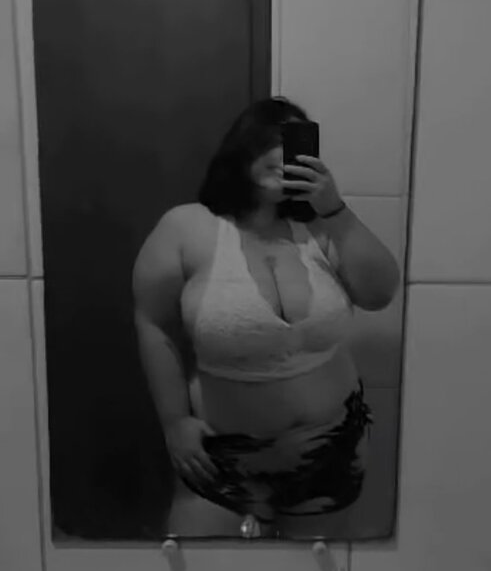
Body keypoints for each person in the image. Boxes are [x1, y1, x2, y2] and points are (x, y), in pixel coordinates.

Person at [132, 96, 399, 535]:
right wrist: (174, 422)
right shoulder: (186, 228)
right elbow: (153, 324)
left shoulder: (320, 229)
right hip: (222, 453)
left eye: (293, 142)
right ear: (242, 148)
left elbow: (380, 293)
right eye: (271, 139)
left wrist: (335, 209)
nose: (282, 153)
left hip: (330, 448)